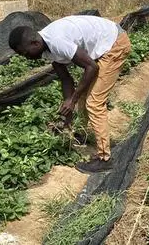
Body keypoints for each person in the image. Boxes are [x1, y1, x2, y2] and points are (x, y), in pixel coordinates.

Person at [8, 15, 132, 174]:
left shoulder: (57, 41)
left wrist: (72, 101)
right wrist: (68, 116)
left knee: (94, 102)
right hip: (104, 45)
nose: (26, 58)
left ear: (34, 43)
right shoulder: (44, 49)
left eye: (25, 53)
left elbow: (91, 67)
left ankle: (104, 159)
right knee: (81, 95)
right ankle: (83, 134)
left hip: (114, 44)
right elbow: (66, 79)